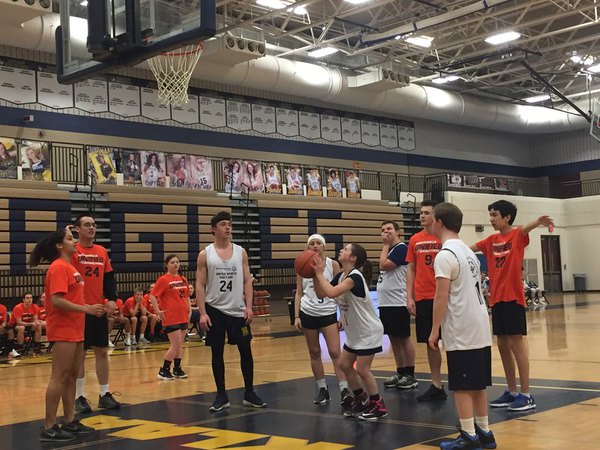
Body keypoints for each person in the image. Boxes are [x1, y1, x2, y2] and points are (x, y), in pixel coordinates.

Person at [471, 200, 553, 412]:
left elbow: (524, 228)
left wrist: (538, 221)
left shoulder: (516, 236)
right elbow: (468, 249)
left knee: (517, 346)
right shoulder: (491, 240)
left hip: (513, 299)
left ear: (507, 217)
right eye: (490, 214)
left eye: (495, 215)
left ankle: (526, 395)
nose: (491, 219)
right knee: (502, 346)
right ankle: (512, 391)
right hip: (496, 300)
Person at [428, 202, 496, 450]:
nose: (430, 222)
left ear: (440, 223)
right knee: (477, 384)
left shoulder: (445, 255)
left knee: (462, 386)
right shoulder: (469, 252)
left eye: (432, 218)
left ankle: (468, 436)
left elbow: (441, 297)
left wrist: (435, 330)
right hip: (479, 324)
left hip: (462, 326)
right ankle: (484, 432)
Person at [30, 228, 105, 442]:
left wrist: (88, 307)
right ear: (60, 246)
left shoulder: (70, 267)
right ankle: (49, 425)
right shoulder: (58, 267)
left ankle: (70, 420)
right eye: (70, 239)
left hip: (76, 328)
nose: (75, 242)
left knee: (72, 376)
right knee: (59, 376)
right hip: (63, 329)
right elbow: (56, 300)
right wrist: (87, 309)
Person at [196, 211, 266, 411]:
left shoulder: (240, 252)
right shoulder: (205, 254)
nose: (228, 227)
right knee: (216, 352)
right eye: (223, 224)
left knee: (246, 350)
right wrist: (202, 312)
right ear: (213, 229)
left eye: (230, 224)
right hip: (215, 309)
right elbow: (200, 285)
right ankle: (221, 395)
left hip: (237, 310)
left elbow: (247, 281)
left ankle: (249, 393)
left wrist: (250, 307)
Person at [313, 243, 386, 420]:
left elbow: (330, 293)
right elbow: (321, 293)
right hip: (355, 331)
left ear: (353, 258)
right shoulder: (341, 276)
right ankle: (361, 399)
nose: (341, 250)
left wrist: (318, 273)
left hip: (368, 330)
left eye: (345, 249)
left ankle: (378, 405)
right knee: (344, 364)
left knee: (362, 369)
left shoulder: (354, 277)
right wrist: (314, 276)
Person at [72, 214, 121, 413]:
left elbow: (109, 278)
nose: (91, 228)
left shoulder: (101, 251)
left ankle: (104, 393)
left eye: (93, 225)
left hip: (99, 309)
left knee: (102, 351)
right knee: (80, 354)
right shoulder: (72, 250)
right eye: (86, 225)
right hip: (80, 310)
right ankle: (79, 396)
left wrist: (111, 299)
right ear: (77, 229)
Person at [293, 234, 350, 405]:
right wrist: (296, 316)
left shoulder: (332, 264)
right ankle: (322, 389)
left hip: (328, 311)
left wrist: (342, 314)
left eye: (318, 243)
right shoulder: (301, 265)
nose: (315, 246)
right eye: (312, 243)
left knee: (334, 352)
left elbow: (339, 290)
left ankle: (344, 388)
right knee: (314, 352)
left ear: (324, 247)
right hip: (308, 311)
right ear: (308, 247)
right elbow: (298, 292)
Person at [406, 200, 448, 402]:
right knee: (431, 343)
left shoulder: (445, 238)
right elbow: (411, 269)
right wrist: (409, 296)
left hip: (445, 297)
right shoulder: (414, 239)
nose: (422, 216)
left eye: (426, 213)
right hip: (423, 297)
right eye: (420, 213)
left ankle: (459, 380)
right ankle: (436, 384)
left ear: (436, 216)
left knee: (451, 341)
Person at [378, 221, 417, 390]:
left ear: (398, 232)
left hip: (398, 300)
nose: (386, 232)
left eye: (389, 229)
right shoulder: (390, 250)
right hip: (386, 302)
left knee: (403, 337)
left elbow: (384, 265)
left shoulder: (401, 248)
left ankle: (410, 373)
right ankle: (400, 371)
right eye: (383, 230)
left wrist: (385, 245)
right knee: (393, 338)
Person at [150, 254, 191, 380]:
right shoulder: (163, 279)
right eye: (172, 262)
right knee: (175, 344)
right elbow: (153, 296)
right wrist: (158, 311)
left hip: (183, 315)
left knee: (180, 344)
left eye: (177, 262)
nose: (175, 264)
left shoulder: (183, 279)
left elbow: (187, 296)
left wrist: (189, 311)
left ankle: (177, 369)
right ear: (167, 265)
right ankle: (164, 370)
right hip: (171, 316)